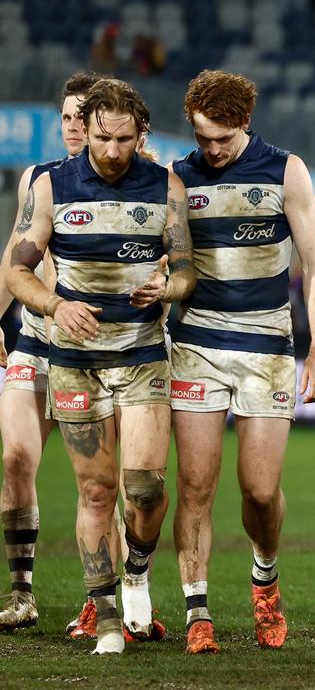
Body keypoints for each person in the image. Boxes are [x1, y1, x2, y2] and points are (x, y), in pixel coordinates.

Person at [3, 78, 197, 654]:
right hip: (73, 360)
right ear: (83, 131)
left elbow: (187, 269)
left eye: (124, 139)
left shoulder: (166, 186)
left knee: (144, 489)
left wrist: (168, 287)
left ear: (142, 135)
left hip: (140, 355)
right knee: (94, 492)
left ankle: (136, 570)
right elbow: (17, 270)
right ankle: (108, 617)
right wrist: (56, 304)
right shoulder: (50, 186)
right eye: (102, 137)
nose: (112, 151)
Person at [169, 70, 315, 653]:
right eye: (202, 137)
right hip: (197, 345)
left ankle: (265, 577)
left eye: (223, 138)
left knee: (261, 490)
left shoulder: (285, 170)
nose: (211, 150)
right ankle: (197, 611)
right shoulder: (179, 177)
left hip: (267, 346)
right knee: (194, 484)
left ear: (246, 123)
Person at [0, 71, 99, 634]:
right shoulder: (37, 180)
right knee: (16, 457)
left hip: (92, 348)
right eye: (66, 117)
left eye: (83, 116)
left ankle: (114, 595)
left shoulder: (134, 183)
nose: (73, 127)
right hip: (36, 338)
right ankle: (22, 594)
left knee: (102, 481)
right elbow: (15, 256)